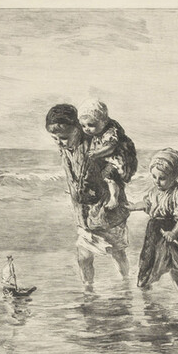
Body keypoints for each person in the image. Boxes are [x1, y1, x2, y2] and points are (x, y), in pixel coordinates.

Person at [45, 103, 131, 288]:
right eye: (55, 139)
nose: (60, 142)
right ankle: (88, 288)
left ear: (78, 129)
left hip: (108, 211)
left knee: (117, 251)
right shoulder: (66, 151)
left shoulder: (96, 146)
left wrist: (112, 193)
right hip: (84, 214)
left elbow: (116, 170)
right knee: (83, 256)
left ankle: (126, 283)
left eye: (64, 138)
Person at [127, 148, 178, 301]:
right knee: (148, 263)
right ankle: (146, 297)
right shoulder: (154, 191)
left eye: (162, 178)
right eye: (154, 177)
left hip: (175, 231)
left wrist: (174, 233)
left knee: (175, 267)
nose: (157, 181)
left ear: (174, 176)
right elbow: (147, 203)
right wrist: (133, 206)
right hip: (156, 231)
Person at [77, 99, 138, 211]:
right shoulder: (97, 131)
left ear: (103, 121)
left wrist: (97, 153)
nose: (87, 129)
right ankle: (84, 190)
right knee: (91, 171)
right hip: (106, 158)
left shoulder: (110, 131)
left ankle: (114, 199)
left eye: (91, 125)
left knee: (109, 175)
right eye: (83, 126)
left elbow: (111, 147)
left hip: (118, 160)